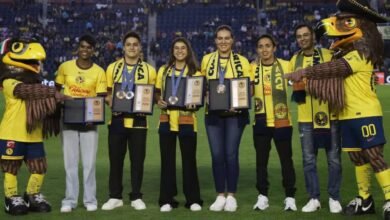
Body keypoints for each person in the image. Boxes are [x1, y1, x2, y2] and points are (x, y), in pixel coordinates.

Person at [286, 1, 390, 218]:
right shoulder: (345, 53)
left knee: (373, 155)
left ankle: (389, 199)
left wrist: (304, 73)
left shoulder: (360, 54)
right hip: (346, 114)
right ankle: (365, 199)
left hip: (366, 113)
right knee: (357, 157)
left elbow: (334, 68)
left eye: (348, 22)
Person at [0, 38, 65, 215]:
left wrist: (57, 106)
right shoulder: (8, 81)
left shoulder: (38, 83)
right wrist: (54, 92)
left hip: (34, 133)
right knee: (11, 168)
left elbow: (44, 101)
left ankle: (32, 195)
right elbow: (25, 91)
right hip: (12, 133)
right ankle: (11, 198)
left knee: (39, 167)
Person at [289, 24, 342, 213]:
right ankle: (314, 198)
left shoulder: (328, 55)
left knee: (334, 159)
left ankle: (334, 197)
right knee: (309, 160)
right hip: (305, 118)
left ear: (312, 36)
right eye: (298, 36)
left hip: (330, 115)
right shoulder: (295, 59)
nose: (302, 39)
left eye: (305, 35)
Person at [102, 31, 156, 211]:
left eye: (135, 44)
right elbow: (107, 94)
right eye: (128, 44)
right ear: (123, 47)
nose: (132, 47)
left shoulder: (149, 70)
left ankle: (136, 196)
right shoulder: (112, 68)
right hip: (117, 120)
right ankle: (115, 196)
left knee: (137, 160)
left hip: (139, 121)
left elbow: (154, 95)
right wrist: (113, 102)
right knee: (116, 160)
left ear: (140, 48)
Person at [201, 25, 253, 212]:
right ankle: (219, 196)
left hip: (235, 115)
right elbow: (202, 87)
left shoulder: (242, 61)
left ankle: (231, 195)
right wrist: (205, 95)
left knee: (231, 154)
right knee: (217, 155)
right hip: (213, 115)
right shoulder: (207, 60)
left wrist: (239, 102)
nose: (223, 41)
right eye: (220, 38)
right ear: (215, 41)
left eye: (226, 38)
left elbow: (250, 88)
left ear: (232, 40)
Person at [55, 35, 107, 213]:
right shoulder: (65, 67)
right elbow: (56, 91)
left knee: (89, 163)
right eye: (82, 46)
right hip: (68, 118)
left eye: (89, 47)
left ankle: (90, 199)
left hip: (89, 122)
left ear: (93, 50)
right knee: (70, 162)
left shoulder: (99, 71)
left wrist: (91, 117)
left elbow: (99, 98)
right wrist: (60, 98)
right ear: (78, 48)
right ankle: (69, 200)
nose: (85, 50)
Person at [155, 37, 203, 212]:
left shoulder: (195, 73)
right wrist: (158, 101)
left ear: (188, 51)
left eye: (183, 48)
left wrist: (195, 104)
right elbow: (157, 94)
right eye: (177, 48)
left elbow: (199, 100)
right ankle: (167, 199)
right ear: (172, 51)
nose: (180, 51)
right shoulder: (163, 71)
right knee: (167, 161)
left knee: (189, 161)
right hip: (166, 120)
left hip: (187, 121)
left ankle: (193, 199)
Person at [251, 34, 297, 212]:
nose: (264, 49)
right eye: (261, 46)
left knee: (286, 161)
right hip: (261, 121)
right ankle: (262, 196)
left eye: (268, 46)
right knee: (261, 162)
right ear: (257, 49)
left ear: (274, 48)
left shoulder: (287, 65)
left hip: (282, 121)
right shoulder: (252, 67)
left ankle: (290, 197)